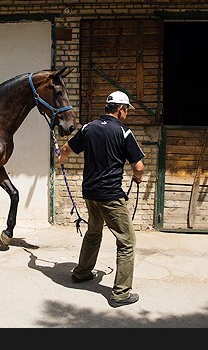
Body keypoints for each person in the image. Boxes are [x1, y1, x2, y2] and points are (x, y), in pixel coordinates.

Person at [59, 91, 145, 307]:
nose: (126, 114)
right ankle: (120, 294)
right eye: (126, 110)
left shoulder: (89, 128)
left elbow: (67, 149)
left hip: (90, 193)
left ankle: (81, 273)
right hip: (111, 195)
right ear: (121, 109)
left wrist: (61, 158)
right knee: (127, 241)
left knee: (94, 232)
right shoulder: (124, 132)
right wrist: (137, 177)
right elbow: (139, 165)